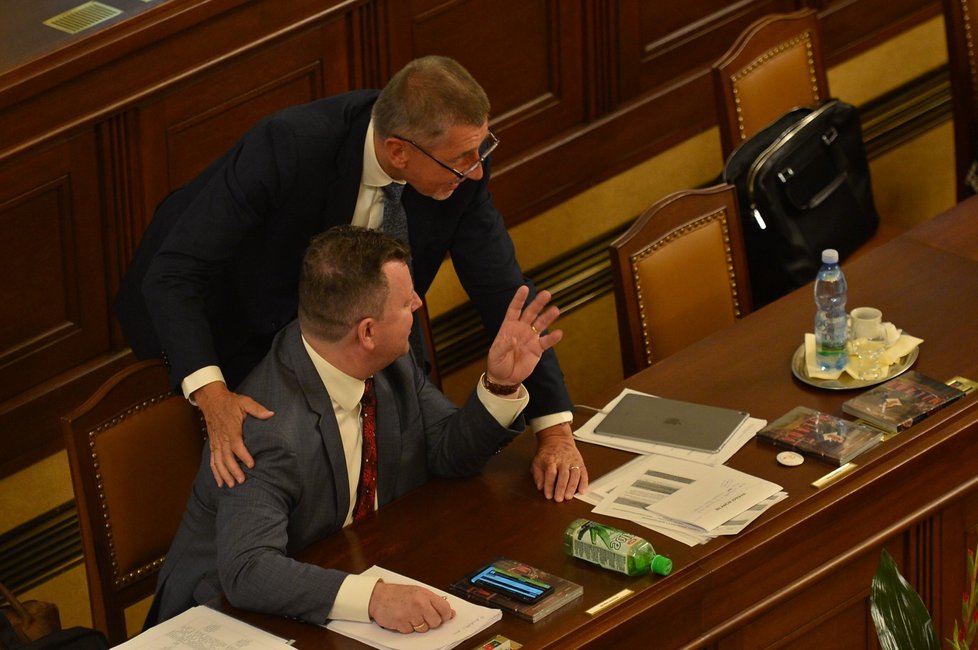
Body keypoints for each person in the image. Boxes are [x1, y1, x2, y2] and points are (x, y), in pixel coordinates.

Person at [113, 55, 587, 500]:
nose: (477, 168)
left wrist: (554, 428)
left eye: (482, 147)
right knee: (291, 477)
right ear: (398, 151)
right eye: (462, 157)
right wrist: (212, 396)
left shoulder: (457, 169)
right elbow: (177, 272)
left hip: (357, 326)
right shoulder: (290, 145)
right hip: (235, 316)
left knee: (415, 454)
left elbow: (505, 293)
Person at [146, 226, 563, 632]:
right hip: (223, 620)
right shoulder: (268, 426)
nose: (418, 303)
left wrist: (500, 384)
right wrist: (374, 598)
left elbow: (447, 453)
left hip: (345, 567)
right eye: (405, 302)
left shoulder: (390, 365)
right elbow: (249, 570)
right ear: (367, 332)